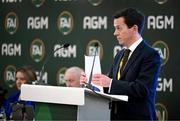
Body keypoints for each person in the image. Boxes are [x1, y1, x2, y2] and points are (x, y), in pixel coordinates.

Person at [80, 8, 161, 120]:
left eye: (119, 28)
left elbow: (142, 89)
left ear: (134, 29)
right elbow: (109, 87)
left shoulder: (150, 55)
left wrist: (110, 83)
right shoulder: (120, 54)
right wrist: (91, 82)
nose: (115, 33)